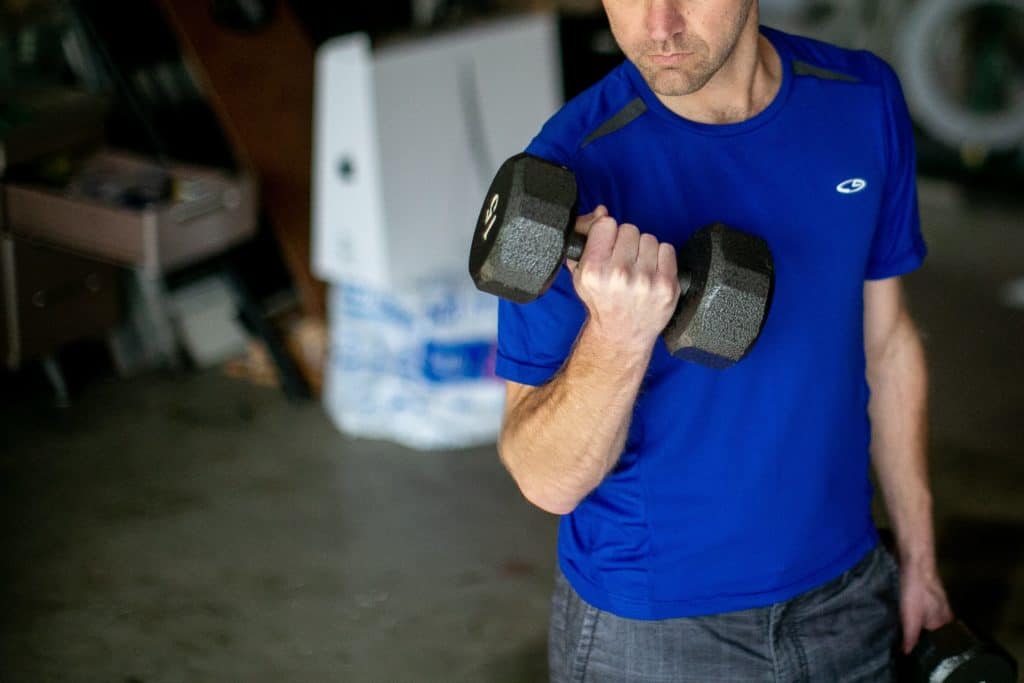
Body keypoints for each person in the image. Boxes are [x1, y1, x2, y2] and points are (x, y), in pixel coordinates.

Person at [493, 1, 954, 680]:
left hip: (849, 596)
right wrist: (618, 335)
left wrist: (918, 558)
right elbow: (545, 478)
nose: (660, 25)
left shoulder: (860, 99)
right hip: (653, 634)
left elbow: (884, 342)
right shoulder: (567, 172)